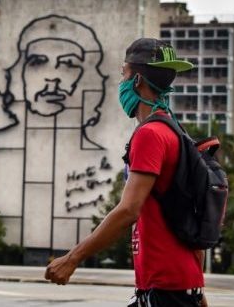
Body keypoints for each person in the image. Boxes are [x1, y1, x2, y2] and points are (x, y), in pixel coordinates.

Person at [44, 38, 208, 307]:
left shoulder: (150, 135)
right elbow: (190, 215)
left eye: (124, 74)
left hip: (164, 289)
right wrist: (197, 292)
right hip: (176, 287)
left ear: (137, 80)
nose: (121, 83)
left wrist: (72, 258)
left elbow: (128, 210)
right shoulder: (175, 133)